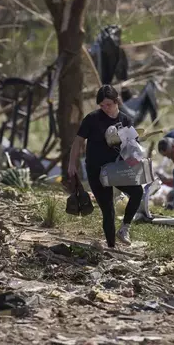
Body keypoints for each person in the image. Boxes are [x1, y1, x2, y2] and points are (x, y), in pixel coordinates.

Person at [67, 85, 144, 248]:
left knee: (137, 192)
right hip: (96, 170)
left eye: (108, 104)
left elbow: (133, 146)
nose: (105, 109)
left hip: (116, 170)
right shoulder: (92, 119)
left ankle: (125, 228)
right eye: (102, 106)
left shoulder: (125, 120)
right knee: (108, 209)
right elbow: (78, 141)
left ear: (117, 102)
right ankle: (111, 247)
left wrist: (136, 158)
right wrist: (72, 164)